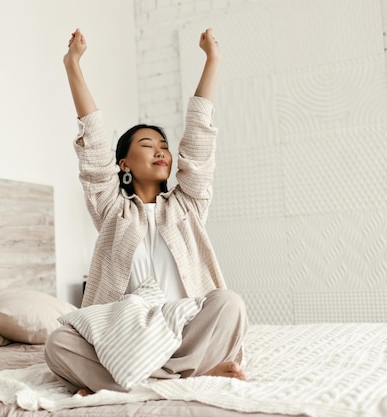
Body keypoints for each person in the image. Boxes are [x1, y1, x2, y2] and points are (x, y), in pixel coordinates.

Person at [44, 28, 248, 396]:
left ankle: (133, 381)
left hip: (184, 331)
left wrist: (212, 61)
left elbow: (199, 145)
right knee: (58, 343)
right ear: (123, 162)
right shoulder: (111, 210)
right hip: (125, 337)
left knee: (229, 303)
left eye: (164, 146)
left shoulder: (188, 205)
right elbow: (92, 151)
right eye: (147, 144)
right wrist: (72, 64)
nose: (161, 151)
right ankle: (187, 377)